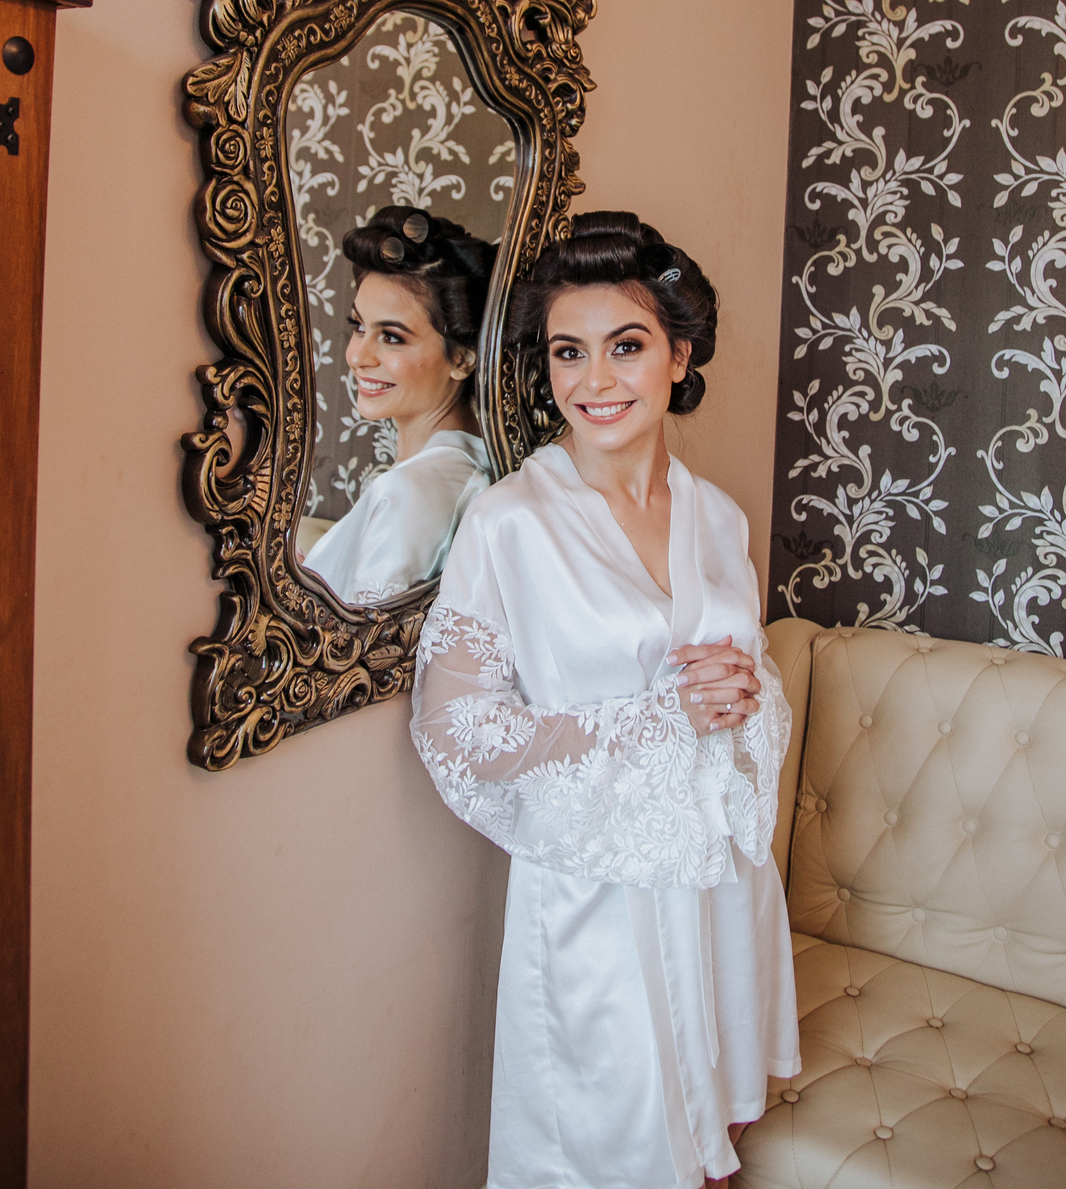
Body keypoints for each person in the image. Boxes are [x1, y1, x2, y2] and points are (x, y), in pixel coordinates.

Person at [411, 211, 799, 1189]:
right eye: (568, 352)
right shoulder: (510, 526)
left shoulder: (719, 518)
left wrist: (746, 692)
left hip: (718, 887)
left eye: (626, 346)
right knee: (606, 1156)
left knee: (712, 1149)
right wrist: (661, 718)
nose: (595, 381)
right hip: (599, 903)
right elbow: (456, 729)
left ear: (680, 355)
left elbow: (744, 685)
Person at [303, 206, 495, 607]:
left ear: (463, 358)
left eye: (391, 337)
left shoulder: (409, 495)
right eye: (359, 326)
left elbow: (363, 642)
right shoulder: (469, 464)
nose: (358, 356)